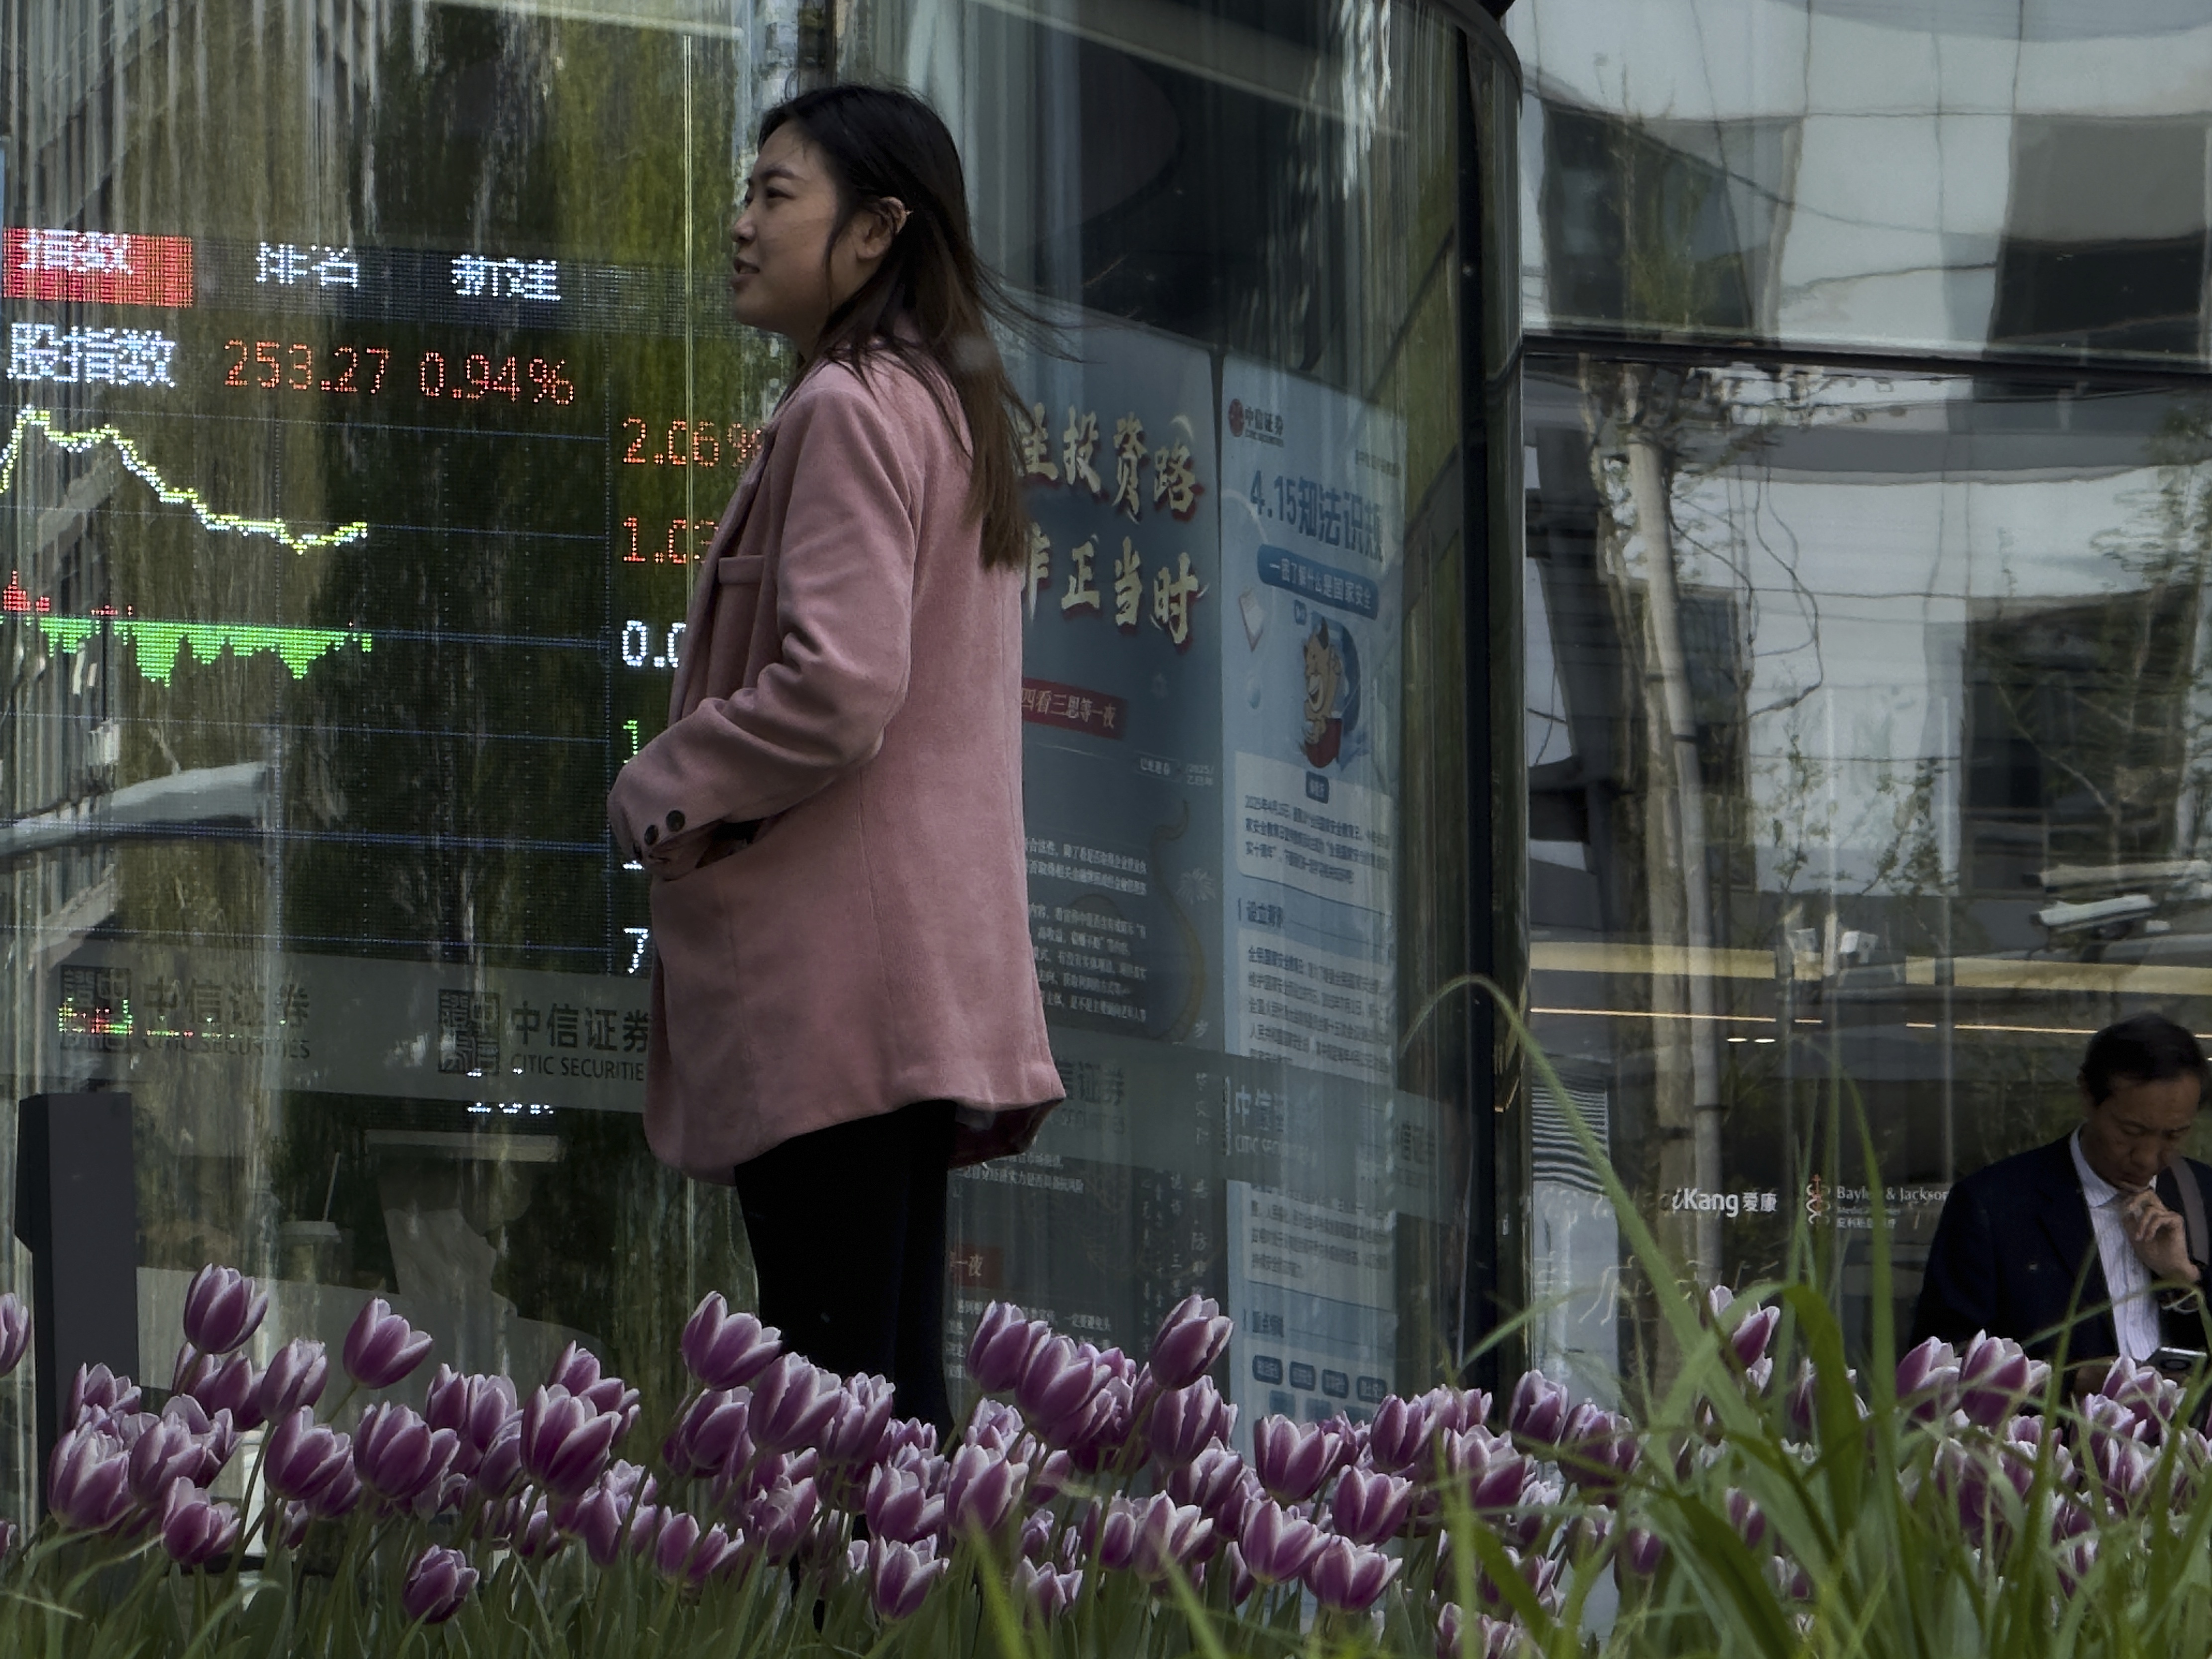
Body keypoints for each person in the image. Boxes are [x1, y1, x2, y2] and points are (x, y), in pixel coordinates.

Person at [607, 85, 1063, 1433]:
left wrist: (662, 783)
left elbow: (842, 686)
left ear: (873, 234)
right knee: (889, 1399)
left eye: (774, 194)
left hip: (832, 995)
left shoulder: (845, 410)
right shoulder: (944, 412)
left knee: (833, 1419)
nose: (739, 224)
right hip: (916, 990)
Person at [1912, 1011, 2212, 1372]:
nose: (2148, 1158)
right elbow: (1945, 1362)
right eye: (2130, 1131)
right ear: (2088, 1094)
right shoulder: (1993, 1205)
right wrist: (2071, 1384)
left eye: (2173, 1135)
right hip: (2051, 1427)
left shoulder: (2203, 1195)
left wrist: (2184, 1279)